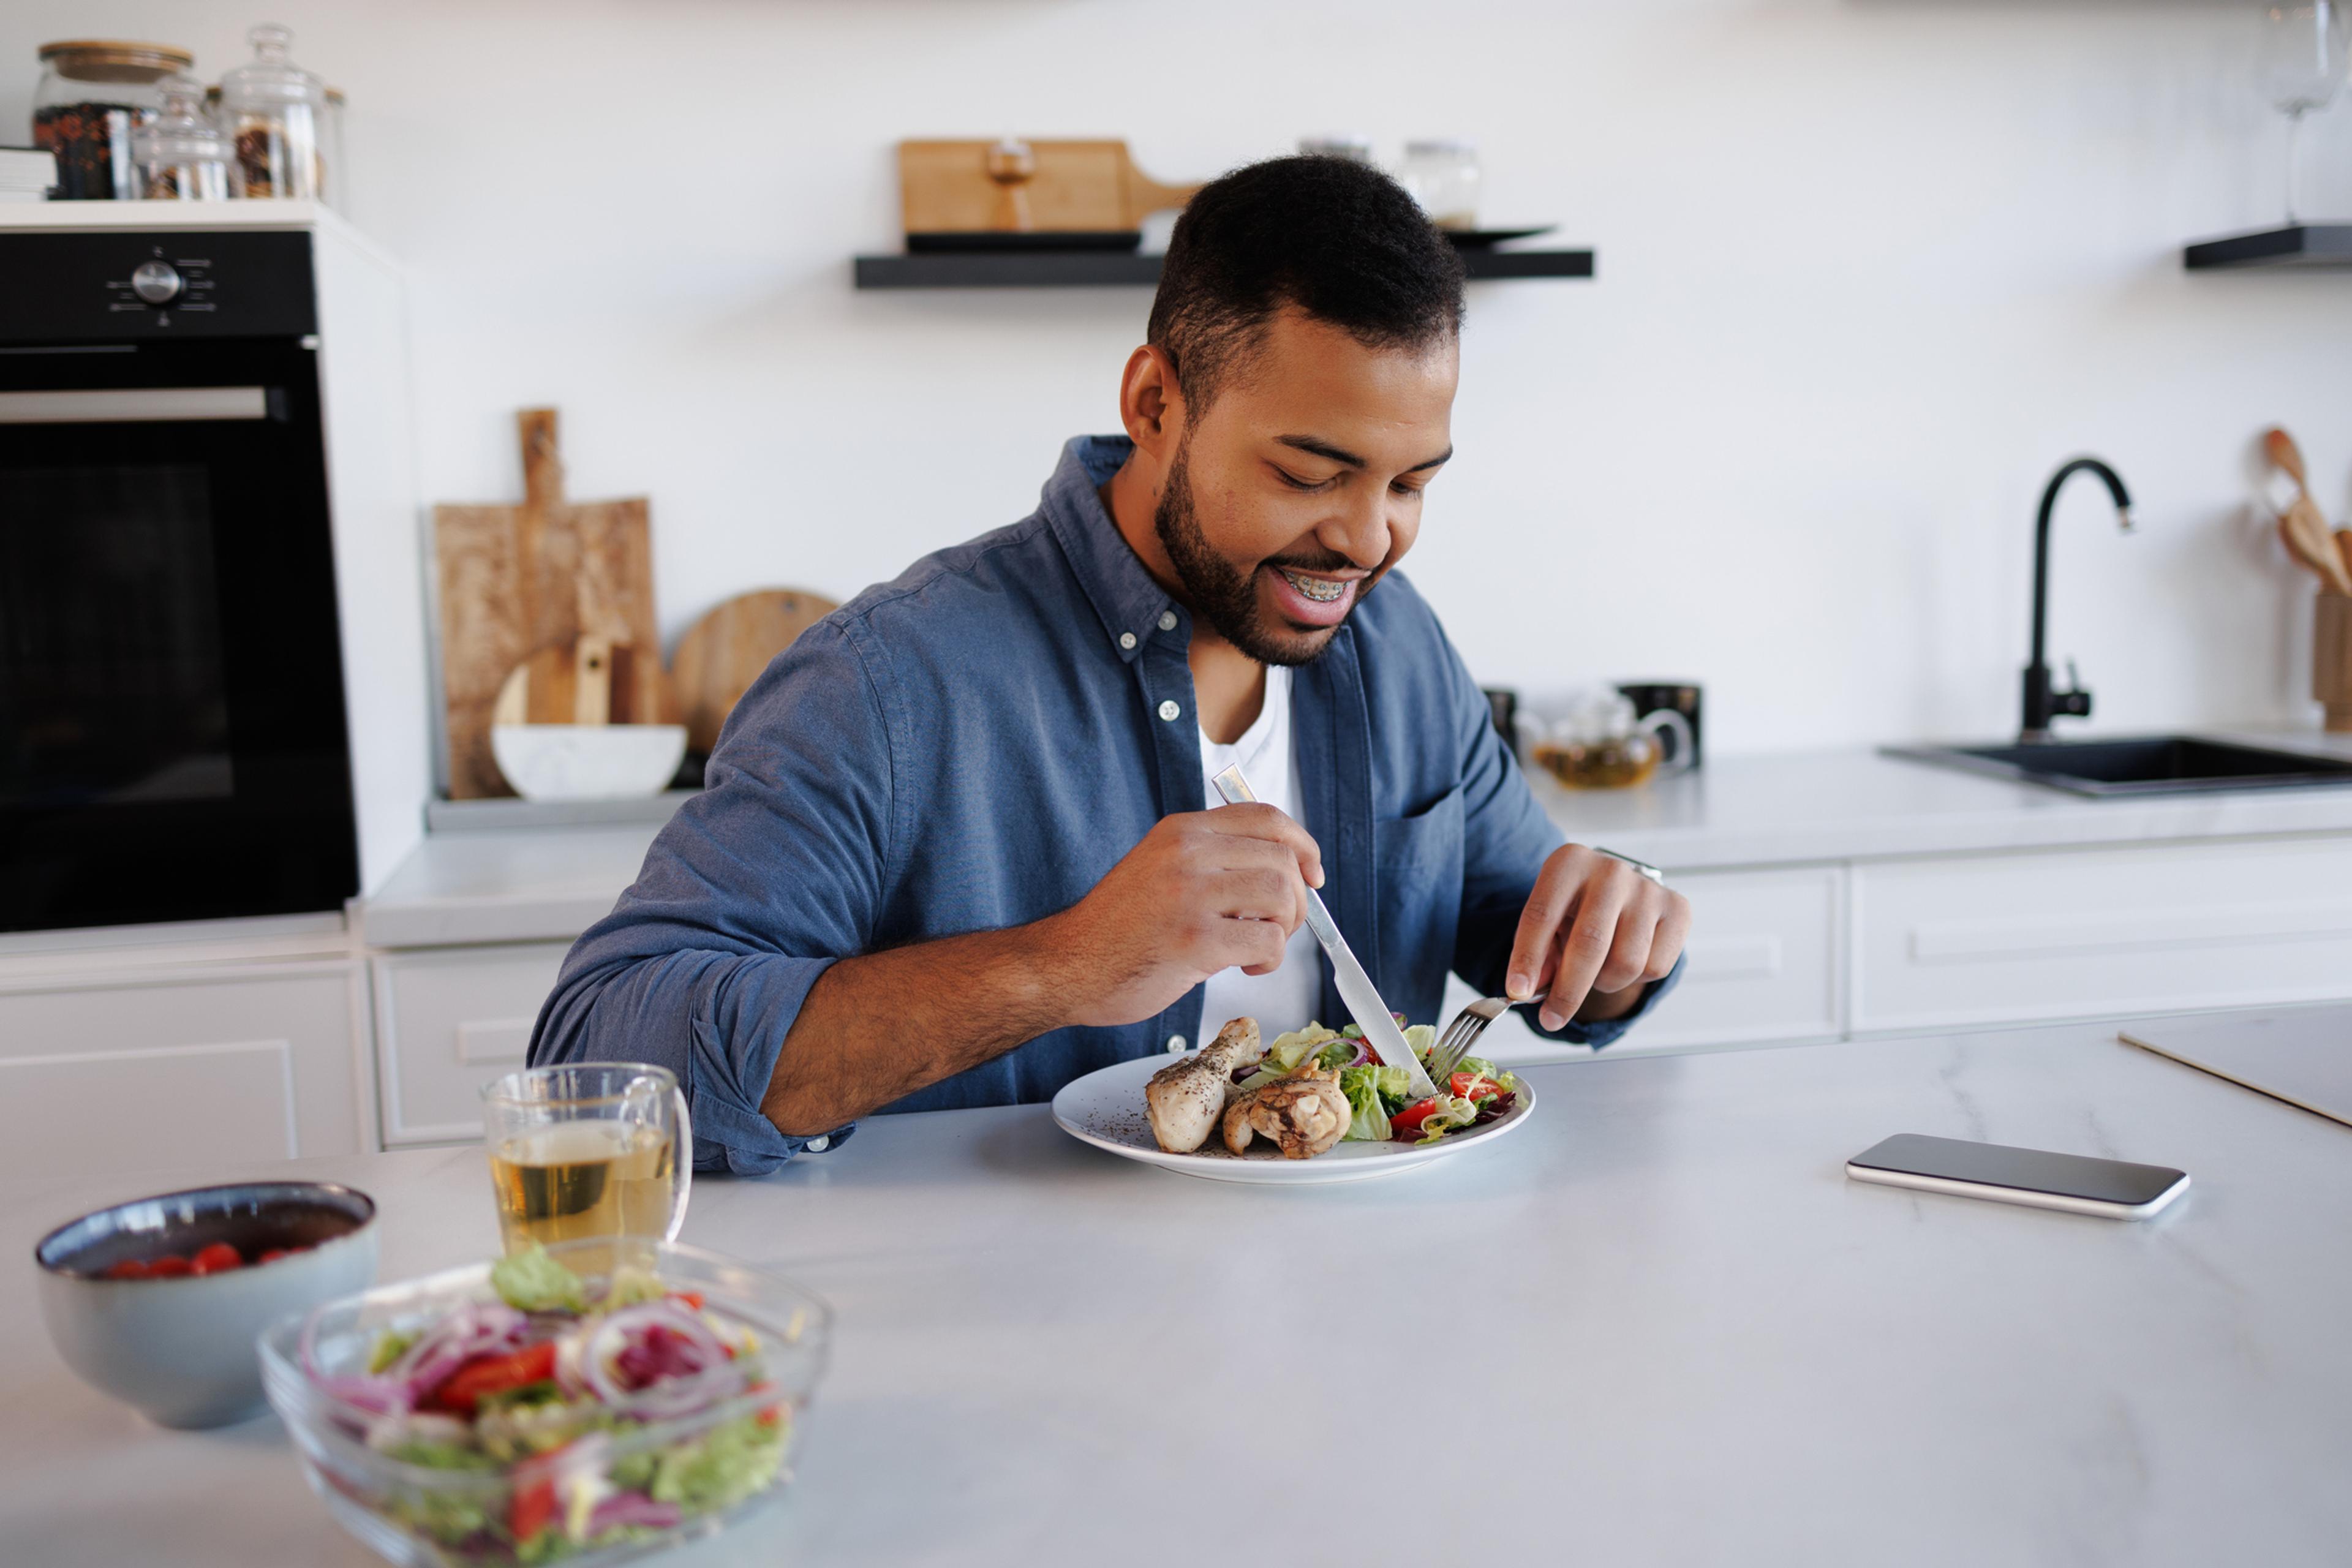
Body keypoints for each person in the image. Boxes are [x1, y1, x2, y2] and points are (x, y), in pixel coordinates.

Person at [529, 155, 1689, 1172]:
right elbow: (594, 1060)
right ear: (1153, 404)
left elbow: (1524, 925)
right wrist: (1062, 965)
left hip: (1372, 1326)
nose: (1368, 538)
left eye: (1412, 484)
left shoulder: (1396, 642)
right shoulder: (887, 684)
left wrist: (1613, 943)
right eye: (1307, 472)